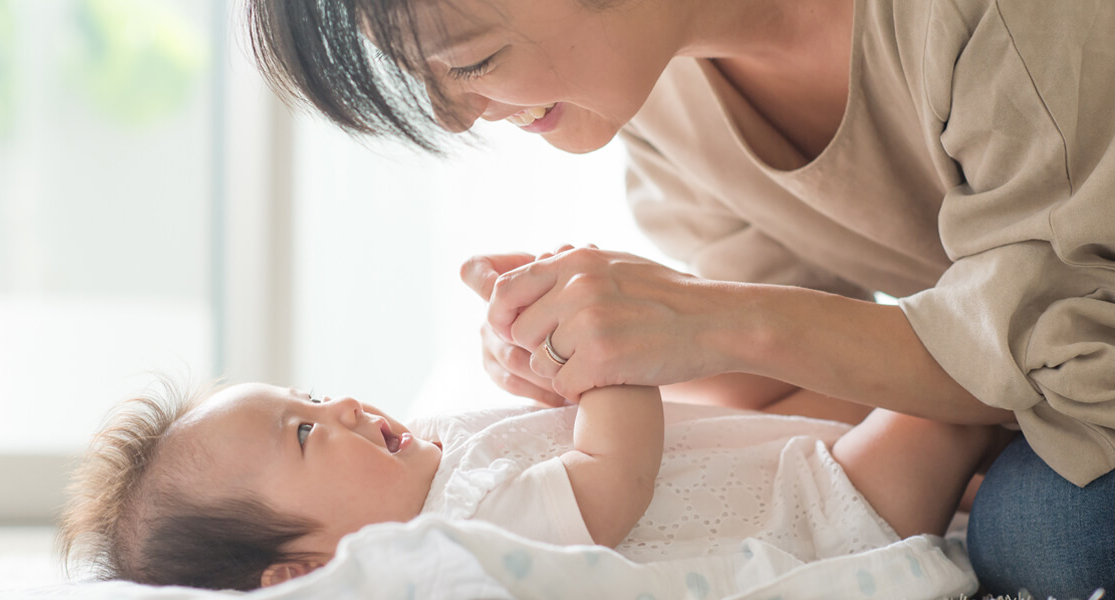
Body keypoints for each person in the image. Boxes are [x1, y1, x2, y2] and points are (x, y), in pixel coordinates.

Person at [244, 0, 1115, 595]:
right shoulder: (663, 106)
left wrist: (707, 320)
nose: (456, 117)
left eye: (471, 63)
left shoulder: (979, 21)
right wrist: (597, 364)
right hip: (1035, 362)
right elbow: (772, 393)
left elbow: (1083, 361)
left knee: (1049, 533)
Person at [57, 377, 999, 591]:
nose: (340, 403)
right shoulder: (459, 541)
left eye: (311, 391)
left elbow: (553, 429)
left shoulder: (435, 460)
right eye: (305, 432)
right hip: (825, 508)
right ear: (305, 572)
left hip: (782, 451)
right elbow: (612, 473)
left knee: (923, 398)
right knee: (954, 399)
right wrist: (608, 362)